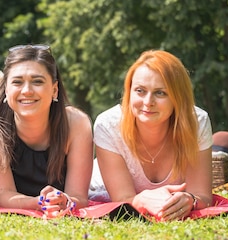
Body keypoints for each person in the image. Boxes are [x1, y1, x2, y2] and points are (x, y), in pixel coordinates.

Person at [88, 50, 213, 221]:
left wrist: (190, 200)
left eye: (160, 93)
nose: (148, 102)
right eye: (140, 90)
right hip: (103, 188)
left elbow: (203, 197)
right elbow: (123, 200)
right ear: (129, 92)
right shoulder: (108, 125)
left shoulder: (197, 122)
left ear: (178, 97)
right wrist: (141, 200)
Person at [0, 44, 93, 217]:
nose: (27, 91)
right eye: (17, 82)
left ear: (54, 90)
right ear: (6, 90)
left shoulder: (76, 123)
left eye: (37, 81)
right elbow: (4, 195)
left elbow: (79, 197)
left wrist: (64, 200)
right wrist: (40, 203)